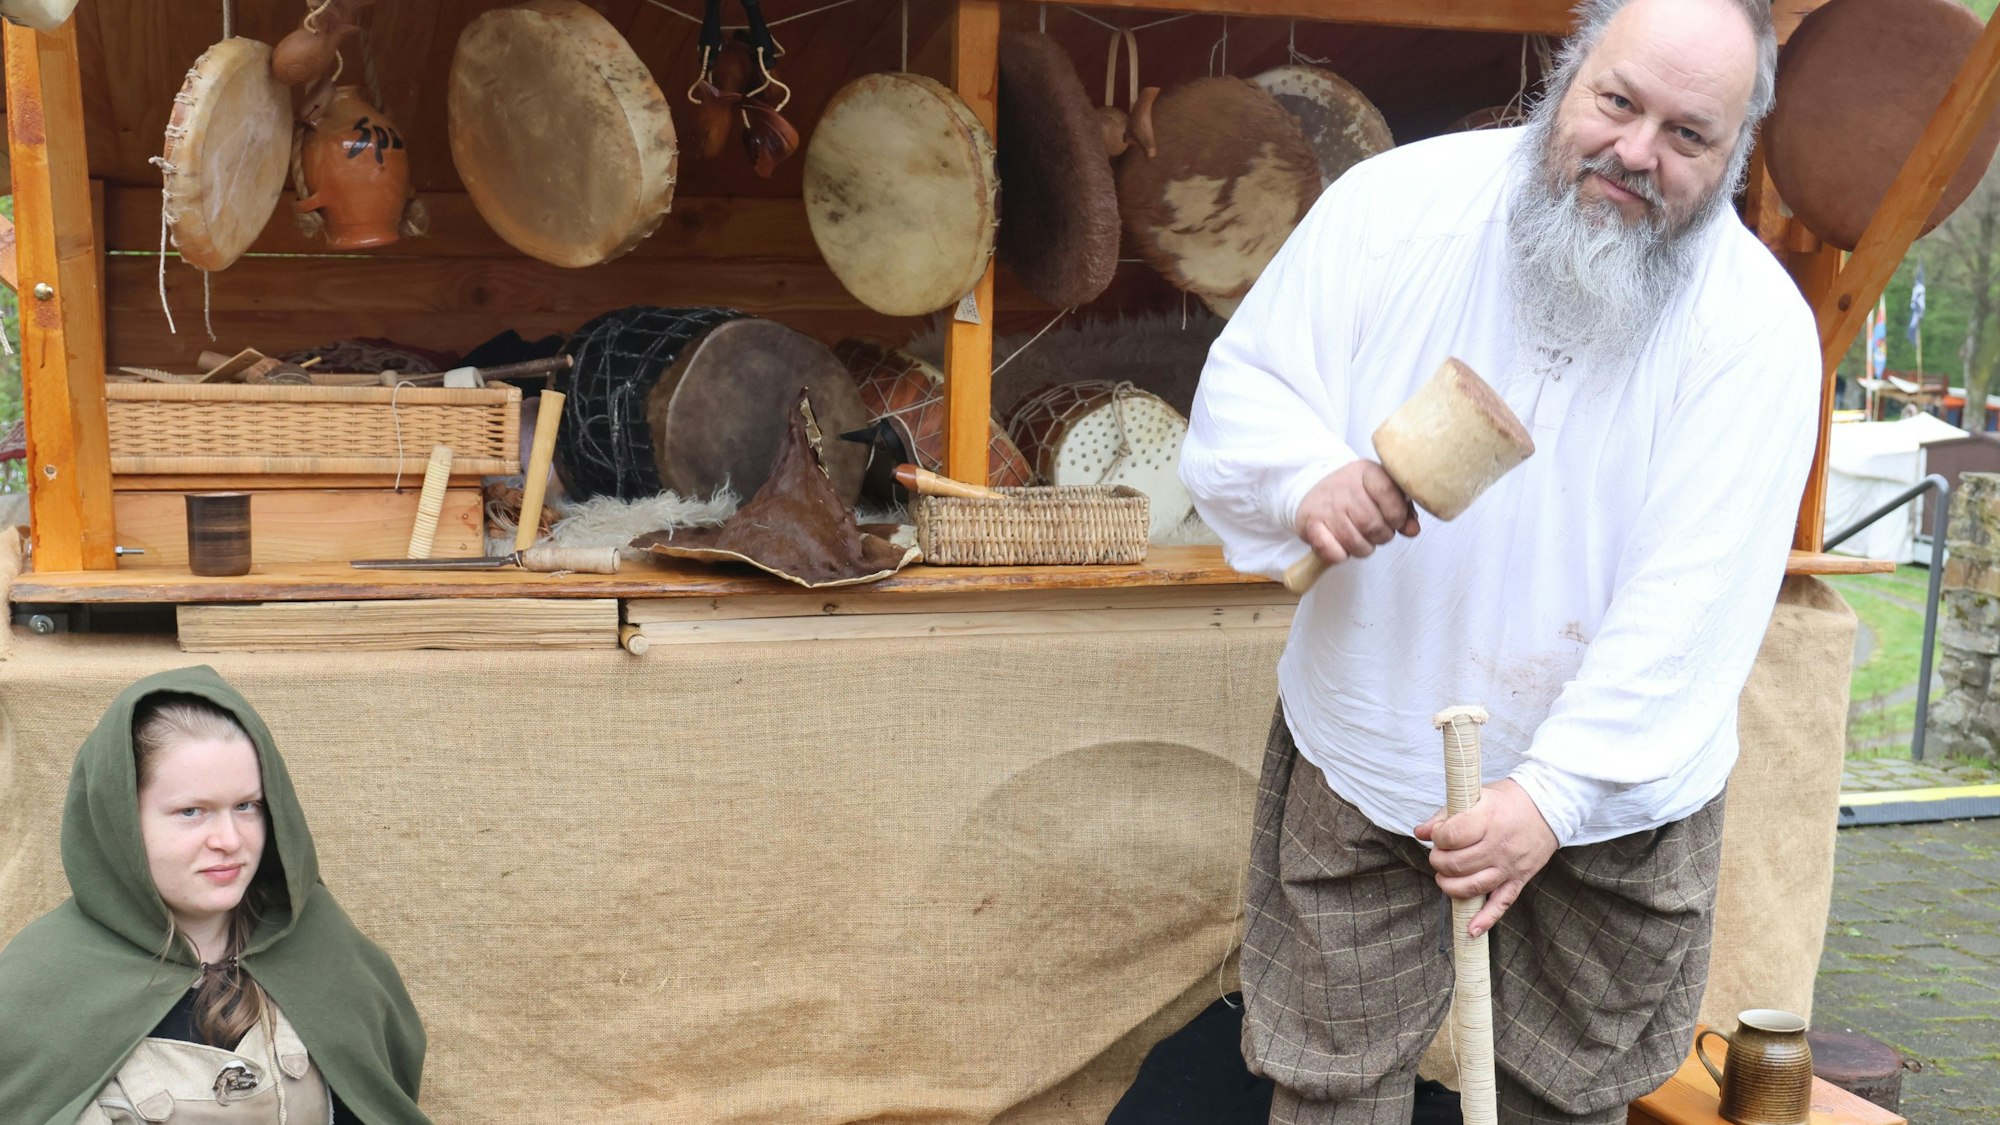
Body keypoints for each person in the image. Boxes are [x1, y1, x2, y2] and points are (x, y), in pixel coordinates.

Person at [1179, 0, 1819, 1121]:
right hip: (1370, 734)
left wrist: (1552, 794)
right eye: (1615, 101)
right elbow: (1250, 392)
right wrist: (1305, 480)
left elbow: (1692, 605)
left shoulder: (1756, 330)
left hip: (1614, 795)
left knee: (1562, 1100)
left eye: (1684, 134)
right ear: (1565, 78)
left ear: (1732, 154)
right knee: (1326, 1087)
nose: (1633, 151)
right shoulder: (1397, 208)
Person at [0, 666, 430, 1123]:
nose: (229, 838)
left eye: (246, 806)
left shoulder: (328, 953)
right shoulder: (34, 987)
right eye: (192, 812)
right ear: (120, 823)